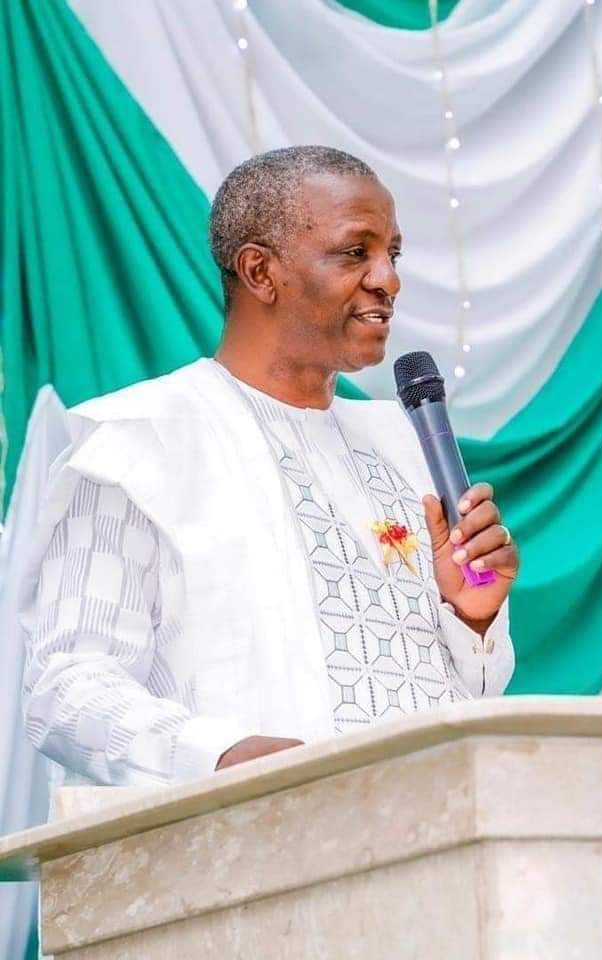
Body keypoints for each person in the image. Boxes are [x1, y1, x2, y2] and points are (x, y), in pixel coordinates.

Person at [21, 146, 518, 790]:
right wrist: (220, 756)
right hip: (256, 835)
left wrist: (472, 620)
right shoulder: (140, 442)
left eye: (392, 255)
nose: (388, 280)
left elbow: (468, 690)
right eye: (356, 252)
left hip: (436, 819)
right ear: (260, 271)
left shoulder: (399, 443)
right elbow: (69, 690)